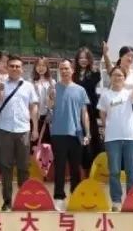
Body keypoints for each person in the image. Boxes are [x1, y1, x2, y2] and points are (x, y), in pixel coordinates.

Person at [99, 55, 133, 211]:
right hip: (112, 138)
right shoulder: (105, 95)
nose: (117, 78)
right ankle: (116, 201)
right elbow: (102, 113)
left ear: (124, 78)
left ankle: (132, 200)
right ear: (110, 77)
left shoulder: (128, 93)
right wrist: (106, 126)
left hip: (131, 137)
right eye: (115, 75)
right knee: (114, 171)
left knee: (132, 171)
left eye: (120, 76)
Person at [0, 55, 39, 211]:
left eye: (17, 66)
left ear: (22, 69)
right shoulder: (2, 84)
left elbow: (33, 107)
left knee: (23, 167)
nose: (14, 68)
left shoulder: (28, 86)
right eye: (11, 66)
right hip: (5, 129)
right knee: (6, 167)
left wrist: (35, 128)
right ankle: (7, 201)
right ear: (7, 68)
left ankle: (23, 199)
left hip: (23, 130)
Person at [47, 60, 90, 209]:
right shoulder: (53, 88)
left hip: (77, 133)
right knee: (59, 167)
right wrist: (51, 97)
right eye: (61, 69)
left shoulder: (80, 90)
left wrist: (88, 132)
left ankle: (75, 195)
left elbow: (84, 113)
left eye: (66, 68)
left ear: (72, 70)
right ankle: (59, 197)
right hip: (58, 133)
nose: (64, 71)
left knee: (75, 168)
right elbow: (49, 107)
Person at [73, 47, 103, 171]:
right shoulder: (73, 75)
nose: (83, 60)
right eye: (81, 58)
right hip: (76, 109)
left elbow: (90, 86)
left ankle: (92, 167)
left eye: (86, 58)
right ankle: (80, 166)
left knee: (91, 136)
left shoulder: (95, 73)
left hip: (90, 110)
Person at [31, 57, 54, 149]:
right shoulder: (31, 82)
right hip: (34, 119)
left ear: (47, 67)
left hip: (47, 119)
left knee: (46, 147)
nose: (41, 68)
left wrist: (51, 95)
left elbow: (52, 104)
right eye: (39, 65)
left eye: (43, 65)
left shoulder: (52, 82)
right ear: (35, 67)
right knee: (34, 147)